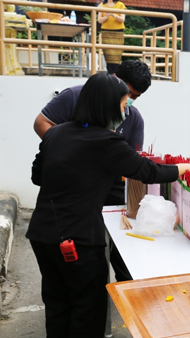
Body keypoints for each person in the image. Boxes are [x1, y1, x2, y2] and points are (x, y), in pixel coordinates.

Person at [26, 72, 190, 338]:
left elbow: (38, 176)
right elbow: (146, 170)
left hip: (42, 232)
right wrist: (182, 170)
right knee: (87, 303)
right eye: (123, 103)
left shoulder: (57, 134)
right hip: (76, 237)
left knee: (57, 298)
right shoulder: (107, 142)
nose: (126, 110)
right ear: (108, 105)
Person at [32, 59, 152, 281]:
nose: (130, 102)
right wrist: (77, 153)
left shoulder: (133, 118)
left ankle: (126, 283)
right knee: (80, 254)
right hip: (71, 192)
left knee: (119, 241)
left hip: (110, 186)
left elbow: (135, 162)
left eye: (135, 98)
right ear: (116, 81)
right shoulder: (73, 97)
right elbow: (42, 124)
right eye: (129, 94)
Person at [97, 0, 126, 74]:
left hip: (118, 32)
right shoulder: (102, 5)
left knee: (116, 54)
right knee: (108, 54)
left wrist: (114, 15)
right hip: (106, 31)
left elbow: (122, 19)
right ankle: (110, 73)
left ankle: (116, 73)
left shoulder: (120, 5)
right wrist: (106, 16)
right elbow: (99, 20)